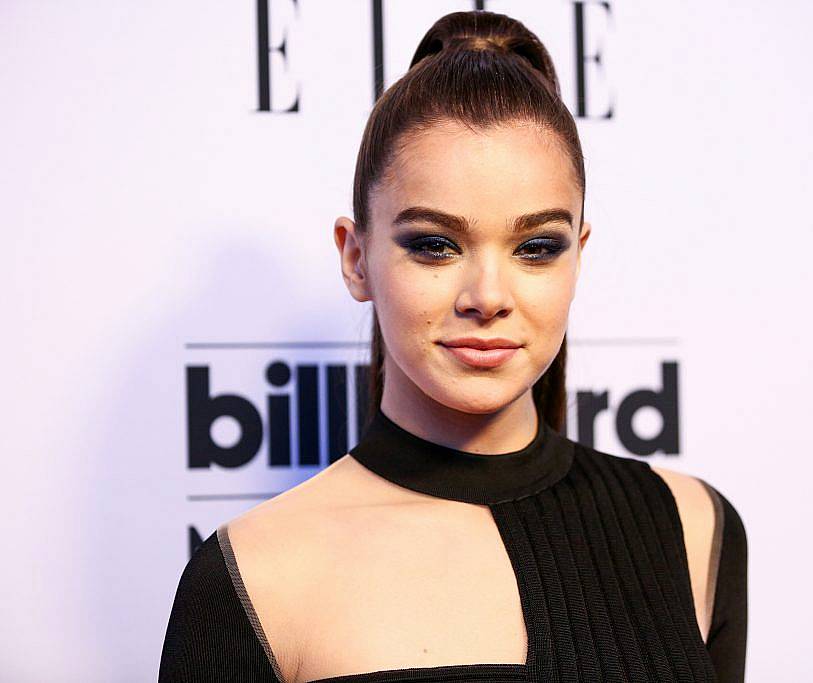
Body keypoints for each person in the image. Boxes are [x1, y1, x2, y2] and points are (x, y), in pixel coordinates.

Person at [159, 9, 747, 683]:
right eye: (436, 244)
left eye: (536, 247)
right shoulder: (252, 576)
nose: (487, 294)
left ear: (577, 258)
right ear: (356, 258)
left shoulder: (693, 525)